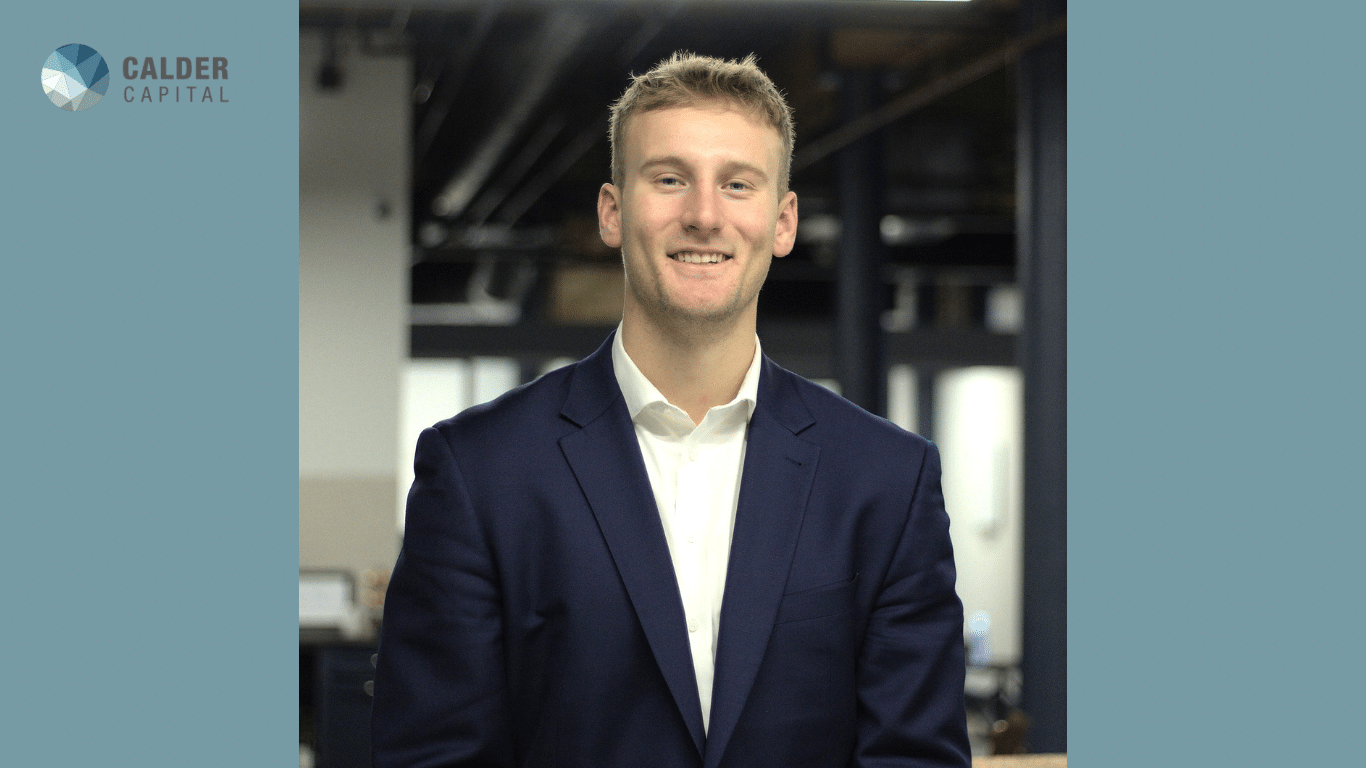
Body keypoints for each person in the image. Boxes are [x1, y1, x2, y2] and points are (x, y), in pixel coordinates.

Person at [372, 52, 970, 768]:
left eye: (737, 184)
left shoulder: (886, 480)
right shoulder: (478, 473)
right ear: (613, 213)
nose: (704, 215)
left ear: (782, 223)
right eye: (669, 179)